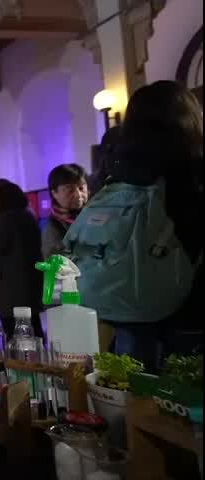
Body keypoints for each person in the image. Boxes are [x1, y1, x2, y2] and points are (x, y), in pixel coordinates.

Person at [104, 80, 204, 369]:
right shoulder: (194, 175)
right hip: (190, 322)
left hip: (128, 322)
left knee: (135, 406)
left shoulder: (116, 177)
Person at [0, 181, 44, 339]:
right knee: (34, 330)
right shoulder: (28, 214)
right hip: (30, 283)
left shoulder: (6, 218)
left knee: (16, 336)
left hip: (12, 288)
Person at [42, 164, 88, 258]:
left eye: (81, 188)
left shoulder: (95, 213)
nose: (78, 195)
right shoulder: (54, 229)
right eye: (70, 190)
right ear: (54, 193)